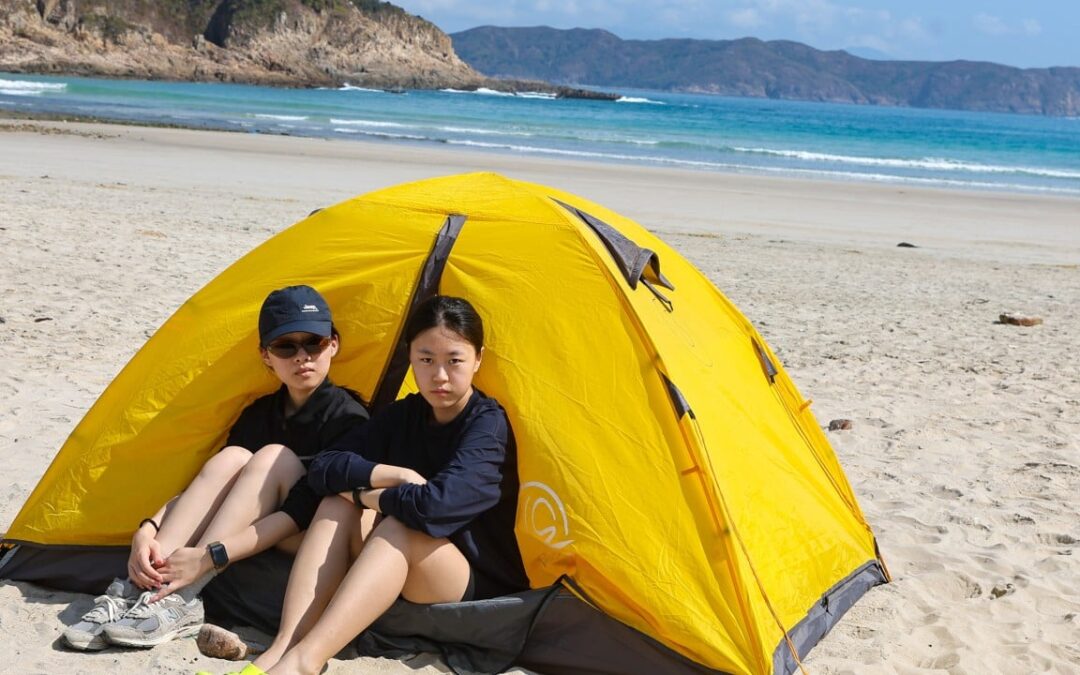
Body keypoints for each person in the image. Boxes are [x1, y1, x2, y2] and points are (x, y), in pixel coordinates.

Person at [62, 285, 368, 651]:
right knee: (233, 457)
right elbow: (212, 487)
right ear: (266, 356)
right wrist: (149, 528)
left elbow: (305, 509)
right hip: (260, 524)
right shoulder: (261, 412)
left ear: (333, 345)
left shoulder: (349, 418)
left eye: (313, 343)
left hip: (312, 532)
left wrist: (209, 557)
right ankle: (136, 590)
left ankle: (182, 597)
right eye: (286, 346)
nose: (302, 357)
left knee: (272, 456)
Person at [245, 295, 528, 675]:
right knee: (335, 504)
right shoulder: (407, 414)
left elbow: (435, 507)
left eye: (454, 360)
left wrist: (367, 495)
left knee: (400, 525)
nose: (440, 376)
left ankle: (305, 662)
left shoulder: (486, 426)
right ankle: (283, 647)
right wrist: (389, 475)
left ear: (478, 359)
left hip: (470, 576)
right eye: (426, 360)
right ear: (410, 359)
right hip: (403, 557)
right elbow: (326, 467)